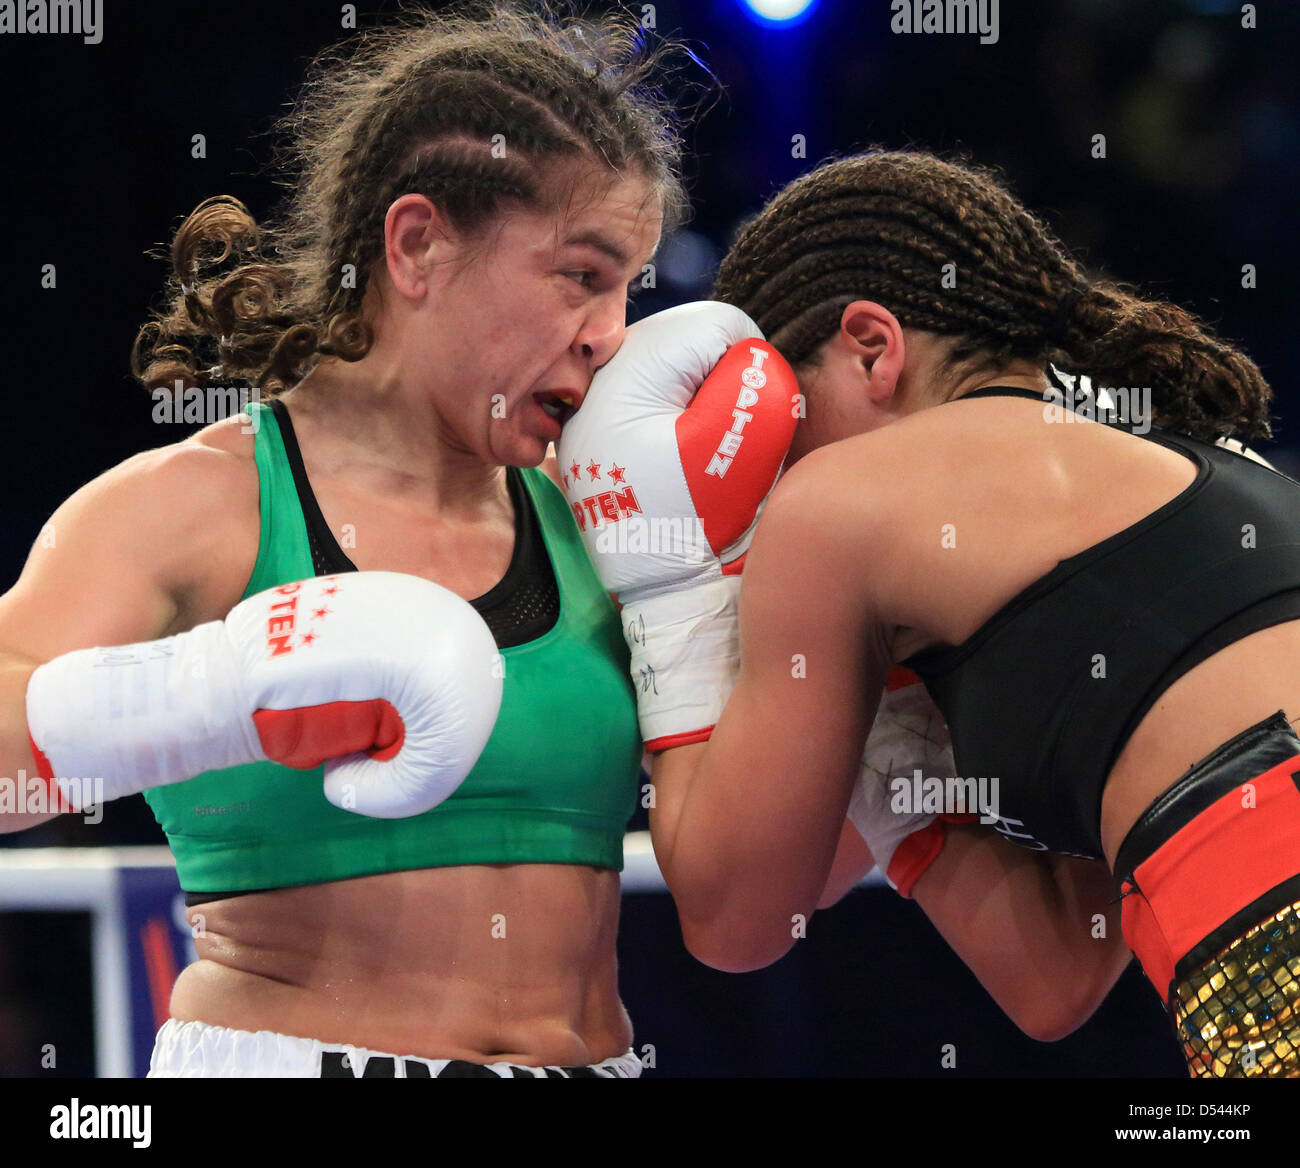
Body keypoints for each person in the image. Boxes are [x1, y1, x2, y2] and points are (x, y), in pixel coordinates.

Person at [2, 2, 691, 1078]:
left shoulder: (601, 515)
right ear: (418, 245)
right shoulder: (205, 505)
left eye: (626, 288)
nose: (610, 334)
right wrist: (208, 693)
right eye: (580, 275)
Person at [559, 150, 1300, 1077]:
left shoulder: (838, 501)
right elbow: (1057, 974)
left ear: (872, 348)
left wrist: (670, 586)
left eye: (778, 427)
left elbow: (738, 918)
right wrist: (892, 750)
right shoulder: (1194, 466)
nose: (765, 477)